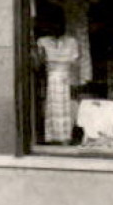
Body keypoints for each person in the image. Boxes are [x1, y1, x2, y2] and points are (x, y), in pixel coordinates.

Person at [34, 8, 81, 145]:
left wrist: (75, 83)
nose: (57, 28)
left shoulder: (72, 42)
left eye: (60, 24)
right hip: (51, 79)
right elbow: (39, 63)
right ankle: (53, 137)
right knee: (52, 109)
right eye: (53, 24)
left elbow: (75, 64)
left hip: (66, 79)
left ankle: (65, 137)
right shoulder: (43, 42)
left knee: (66, 109)